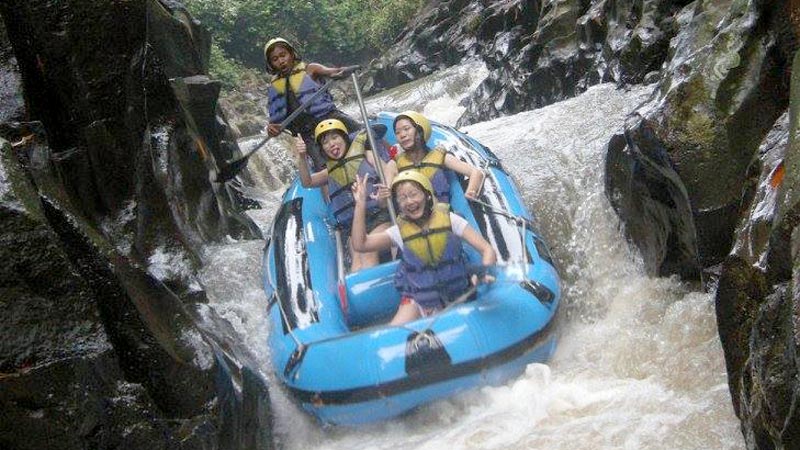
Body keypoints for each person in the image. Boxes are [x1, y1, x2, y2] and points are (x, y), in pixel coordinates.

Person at [351, 170, 496, 325]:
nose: (409, 202)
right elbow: (361, 244)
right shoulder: (399, 232)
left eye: (414, 194)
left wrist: (484, 272)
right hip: (421, 300)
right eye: (402, 198)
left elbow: (487, 250)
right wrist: (360, 204)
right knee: (395, 331)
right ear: (398, 205)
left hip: (459, 291)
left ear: (427, 195)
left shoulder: (450, 219)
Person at [293, 119, 391, 271]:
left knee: (368, 250)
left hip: (379, 216)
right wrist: (301, 157)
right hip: (354, 225)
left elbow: (387, 171)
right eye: (325, 142)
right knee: (357, 262)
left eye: (335, 137)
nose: (331, 144)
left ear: (345, 138)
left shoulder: (367, 155)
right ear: (322, 149)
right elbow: (307, 182)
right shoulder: (329, 173)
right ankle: (359, 292)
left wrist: (386, 189)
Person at [264, 37, 361, 169]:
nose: (281, 61)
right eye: (275, 59)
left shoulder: (311, 69)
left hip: (331, 118)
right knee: (323, 168)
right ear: (271, 64)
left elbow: (332, 71)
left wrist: (344, 71)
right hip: (308, 134)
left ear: (291, 54)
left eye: (283, 55)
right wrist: (272, 130)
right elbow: (274, 124)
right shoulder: (274, 88)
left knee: (365, 136)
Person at [384, 110, 485, 203]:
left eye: (407, 129)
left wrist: (471, 191)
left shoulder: (441, 157)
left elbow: (476, 173)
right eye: (397, 132)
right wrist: (382, 196)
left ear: (420, 131)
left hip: (441, 214)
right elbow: (385, 201)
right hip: (412, 216)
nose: (402, 135)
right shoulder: (394, 165)